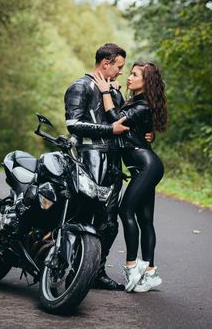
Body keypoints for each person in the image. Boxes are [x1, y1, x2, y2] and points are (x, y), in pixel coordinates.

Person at [93, 61, 167, 293]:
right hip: (144, 165)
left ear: (147, 82)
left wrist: (105, 91)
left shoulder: (142, 105)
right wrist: (113, 90)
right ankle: (151, 273)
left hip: (147, 166)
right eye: (130, 73)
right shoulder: (136, 102)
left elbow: (116, 118)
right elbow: (137, 126)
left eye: (135, 74)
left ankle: (132, 267)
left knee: (125, 211)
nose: (129, 77)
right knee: (145, 220)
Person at [64, 43, 130, 290]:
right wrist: (109, 130)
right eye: (119, 67)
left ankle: (97, 272)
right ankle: (70, 268)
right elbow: (73, 123)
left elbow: (121, 119)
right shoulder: (79, 86)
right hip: (88, 159)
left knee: (110, 223)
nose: (121, 72)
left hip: (113, 163)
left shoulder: (113, 89)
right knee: (81, 215)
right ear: (106, 63)